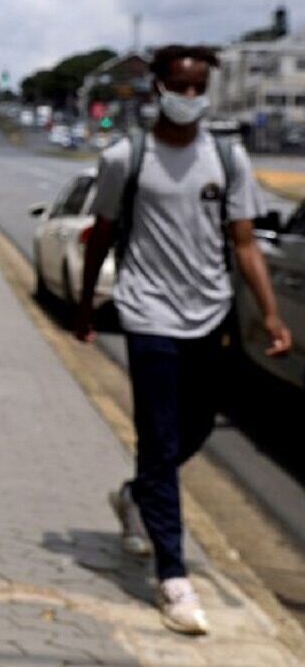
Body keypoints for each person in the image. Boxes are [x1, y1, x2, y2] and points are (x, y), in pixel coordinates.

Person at [74, 44, 292, 636]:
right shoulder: (128, 156)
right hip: (148, 315)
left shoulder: (228, 157)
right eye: (179, 86)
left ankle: (134, 496)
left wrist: (270, 316)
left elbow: (245, 242)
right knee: (160, 437)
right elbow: (102, 234)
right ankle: (174, 577)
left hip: (210, 314)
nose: (189, 97)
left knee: (195, 428)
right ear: (158, 88)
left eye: (199, 88)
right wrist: (86, 303)